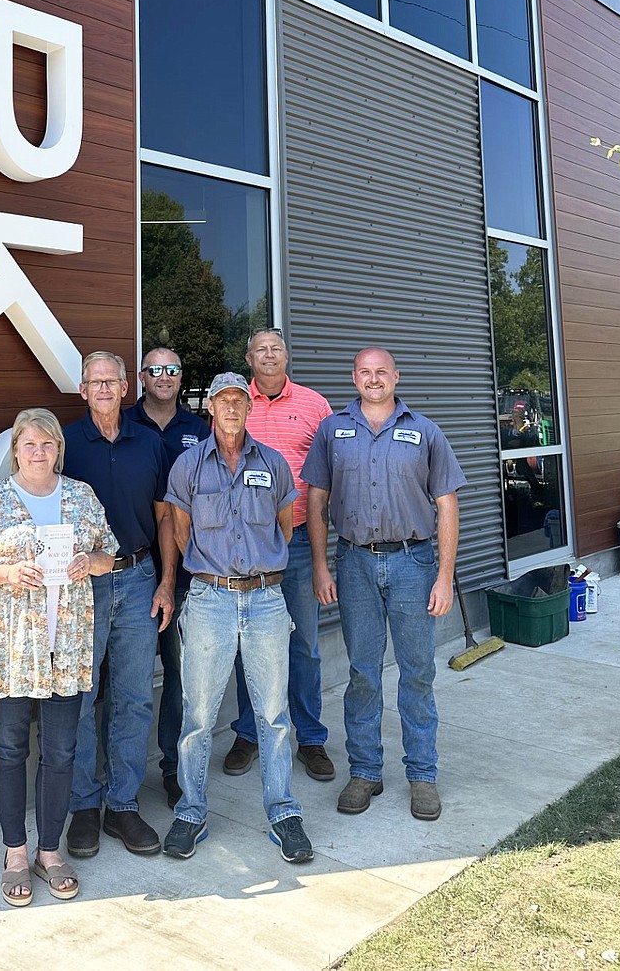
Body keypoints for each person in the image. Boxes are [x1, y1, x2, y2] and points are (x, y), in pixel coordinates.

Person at [0, 407, 119, 906]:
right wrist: (6, 574)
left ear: (58, 449)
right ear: (16, 450)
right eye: (28, 445)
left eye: (46, 444)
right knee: (9, 748)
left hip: (64, 646)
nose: (38, 452)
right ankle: (15, 853)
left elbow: (110, 553)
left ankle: (49, 851)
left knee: (61, 752)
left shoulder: (81, 497)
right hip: (12, 646)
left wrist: (93, 562)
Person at [304, 347, 463, 822]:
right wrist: (319, 566)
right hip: (353, 565)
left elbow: (447, 504)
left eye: (381, 372)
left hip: (414, 563)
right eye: (365, 372)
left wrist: (445, 576)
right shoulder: (333, 431)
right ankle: (366, 771)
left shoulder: (426, 432)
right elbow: (316, 500)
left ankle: (422, 775)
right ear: (354, 377)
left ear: (396, 376)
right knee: (362, 673)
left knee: (417, 672)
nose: (373, 379)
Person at [162, 372, 314, 864]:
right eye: (222, 400)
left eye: (238, 399)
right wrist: (217, 575)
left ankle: (283, 812)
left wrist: (255, 571)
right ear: (210, 407)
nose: (231, 407)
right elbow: (181, 531)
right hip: (209, 600)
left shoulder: (272, 463)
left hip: (268, 599)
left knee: (273, 715)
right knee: (199, 714)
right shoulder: (188, 465)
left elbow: (285, 529)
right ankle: (191, 811)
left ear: (249, 406)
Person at [63, 351, 175, 859]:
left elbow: (167, 519)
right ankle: (84, 806)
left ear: (127, 388)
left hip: (139, 578)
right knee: (82, 698)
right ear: (82, 390)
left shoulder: (149, 443)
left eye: (112, 380)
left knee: (133, 696)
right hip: (82, 585)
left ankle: (123, 805)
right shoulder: (66, 445)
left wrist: (167, 582)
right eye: (95, 381)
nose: (104, 388)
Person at [224, 328, 334, 783]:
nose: (269, 356)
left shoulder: (314, 405)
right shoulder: (233, 405)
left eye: (276, 348)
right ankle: (248, 733)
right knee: (247, 644)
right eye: (260, 350)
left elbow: (330, 475)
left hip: (303, 543)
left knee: (303, 644)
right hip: (245, 544)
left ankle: (310, 738)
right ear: (249, 359)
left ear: (286, 356)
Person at [125, 346, 209, 807]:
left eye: (172, 369)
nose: (163, 376)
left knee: (180, 675)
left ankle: (175, 770)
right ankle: (123, 779)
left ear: (181, 377)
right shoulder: (122, 424)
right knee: (129, 679)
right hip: (134, 571)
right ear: (141, 376)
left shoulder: (199, 430)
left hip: (186, 576)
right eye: (154, 368)